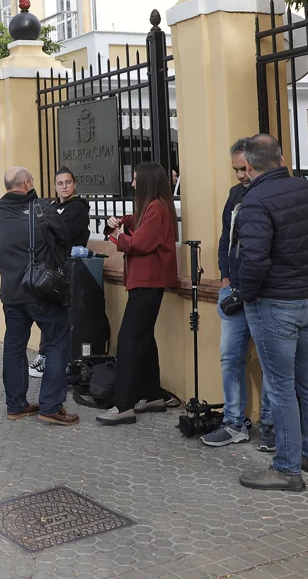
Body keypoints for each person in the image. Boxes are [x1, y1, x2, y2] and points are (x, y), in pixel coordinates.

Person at [233, 134, 308, 492]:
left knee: (281, 386)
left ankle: (287, 468)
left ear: (252, 165)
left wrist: (246, 294)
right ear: (280, 157)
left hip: (276, 303)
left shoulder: (256, 200)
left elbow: (254, 259)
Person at [0, 167, 78, 425]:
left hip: (11, 293)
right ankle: (51, 407)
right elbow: (65, 240)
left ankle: (15, 405)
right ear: (27, 183)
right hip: (41, 291)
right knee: (58, 341)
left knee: (14, 347)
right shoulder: (43, 208)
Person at [202, 138, 274, 450]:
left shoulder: (271, 192)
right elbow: (225, 238)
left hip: (265, 292)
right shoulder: (235, 195)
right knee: (230, 356)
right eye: (236, 170)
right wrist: (225, 277)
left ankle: (271, 424)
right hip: (233, 290)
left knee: (271, 360)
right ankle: (234, 422)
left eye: (244, 168)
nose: (241, 175)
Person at [98, 161, 179, 426]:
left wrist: (118, 236)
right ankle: (153, 395)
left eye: (135, 179)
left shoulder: (157, 208)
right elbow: (128, 224)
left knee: (129, 340)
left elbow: (139, 243)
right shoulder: (150, 208)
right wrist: (115, 224)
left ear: (146, 181)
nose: (132, 183)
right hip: (145, 282)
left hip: (147, 282)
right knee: (144, 338)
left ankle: (123, 405)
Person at [29, 167, 91, 378]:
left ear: (74, 184)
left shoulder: (78, 209)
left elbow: (59, 234)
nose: (64, 187)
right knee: (49, 314)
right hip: (51, 269)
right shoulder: (53, 206)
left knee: (63, 318)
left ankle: (55, 360)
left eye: (68, 182)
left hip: (69, 270)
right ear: (55, 186)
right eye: (60, 183)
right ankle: (44, 356)